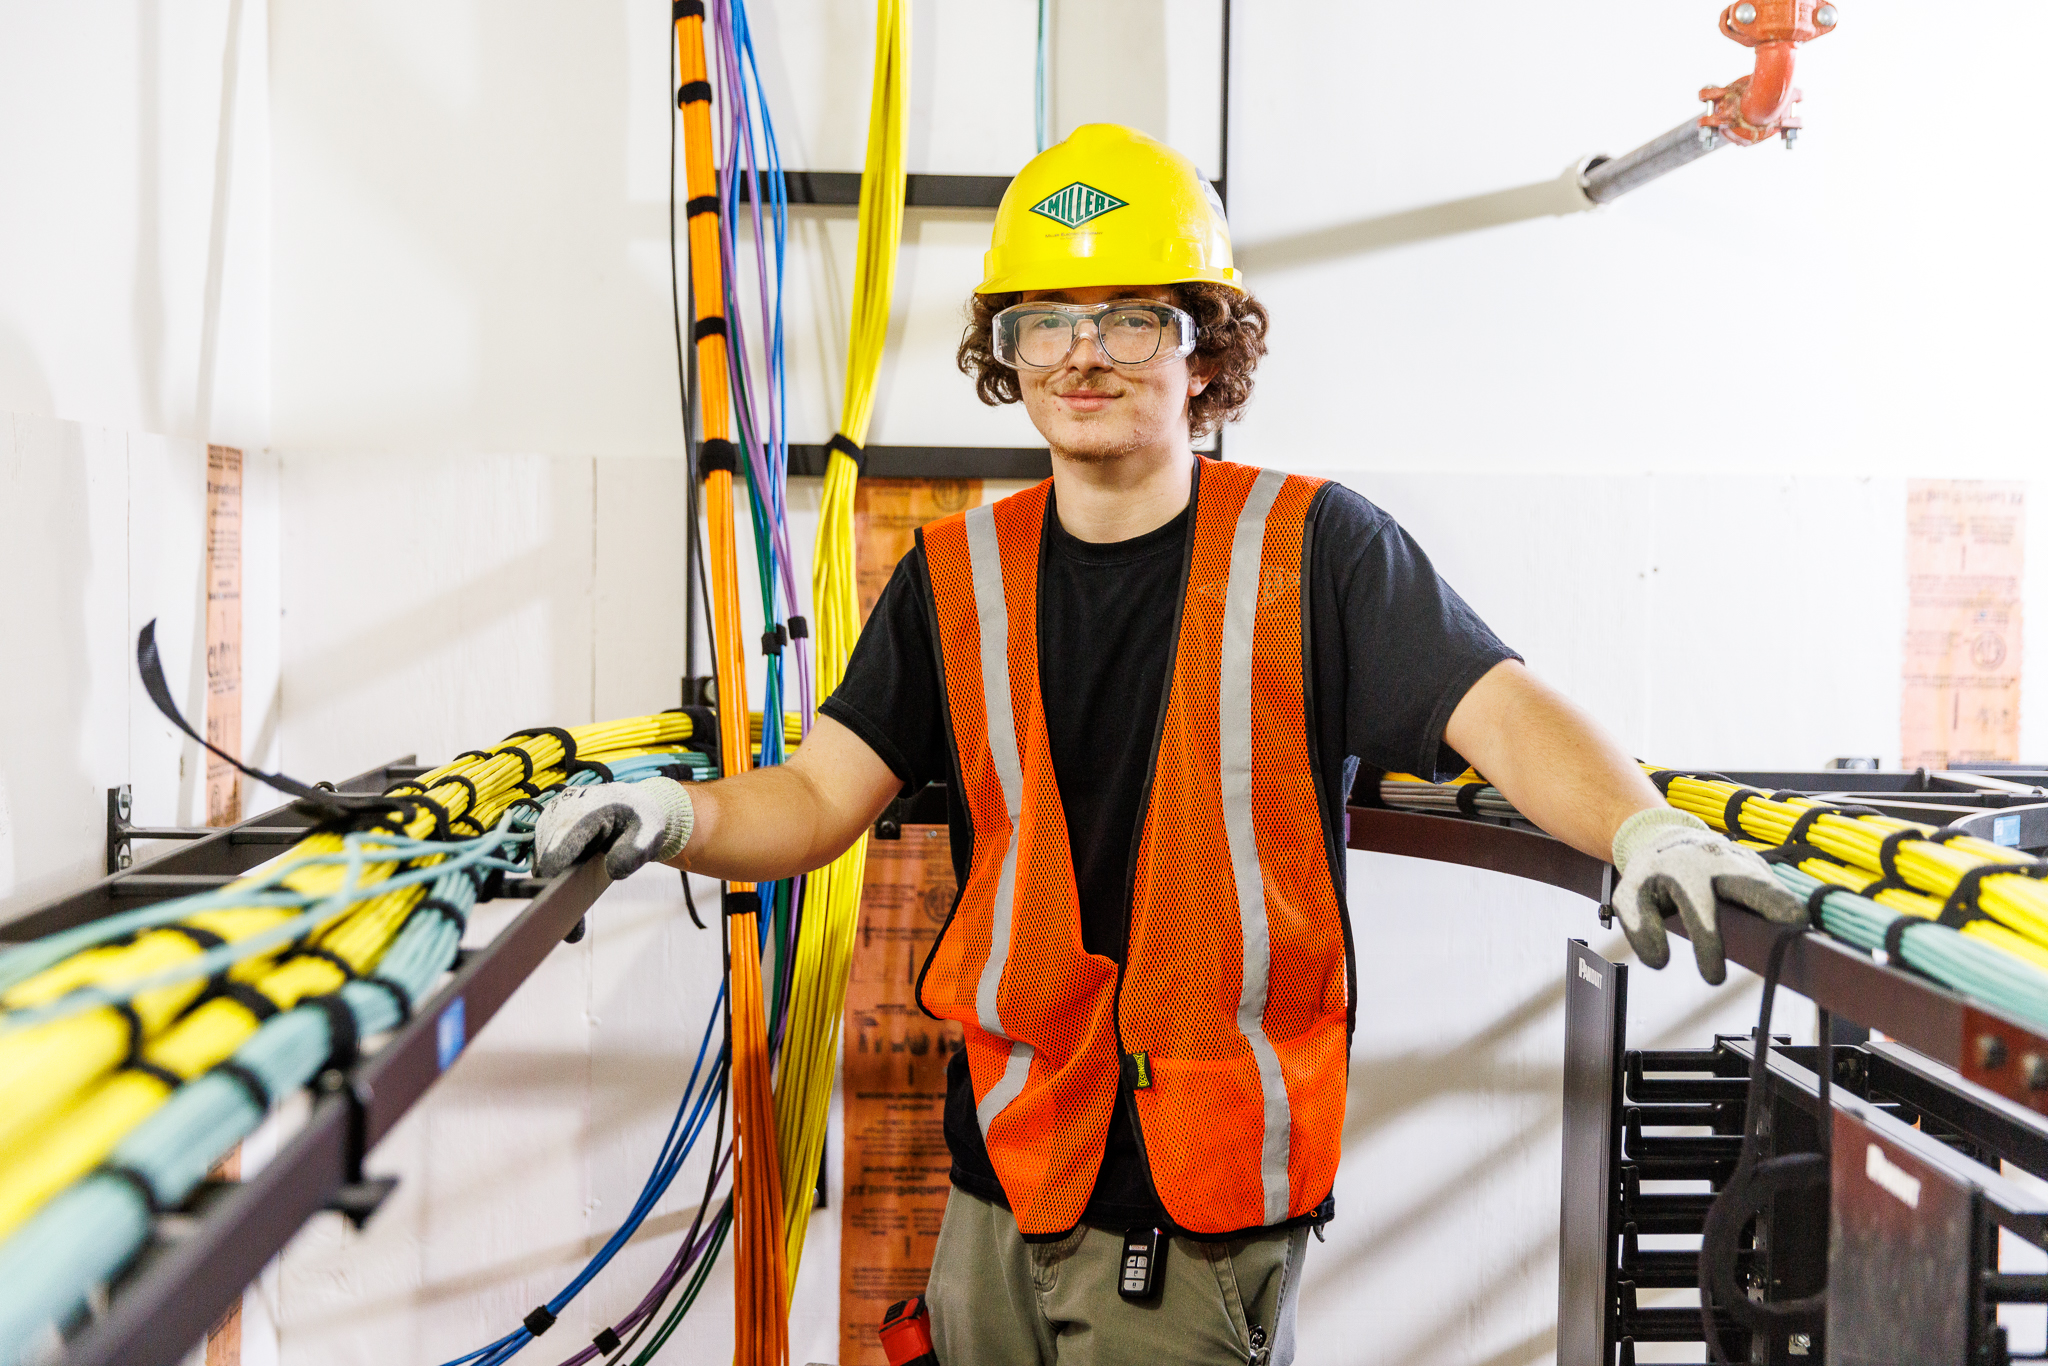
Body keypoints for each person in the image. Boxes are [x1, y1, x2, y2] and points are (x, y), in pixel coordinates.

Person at [534, 123, 1803, 1366]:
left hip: (1200, 1202)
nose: (1085, 354)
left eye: (1133, 317)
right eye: (1046, 321)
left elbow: (1504, 711)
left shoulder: (1320, 550)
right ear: (1007, 354)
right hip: (999, 1173)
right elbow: (815, 799)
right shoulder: (952, 577)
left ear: (1204, 348)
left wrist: (1643, 825)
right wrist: (672, 816)